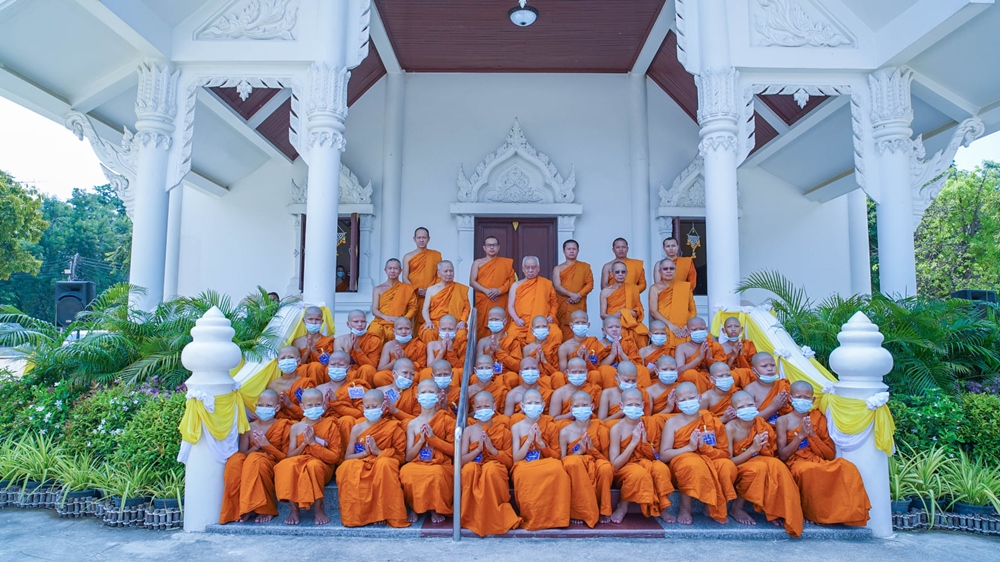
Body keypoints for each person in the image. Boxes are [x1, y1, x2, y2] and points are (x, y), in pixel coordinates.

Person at [777, 381, 871, 527]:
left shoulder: (818, 418)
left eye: (806, 397)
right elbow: (783, 455)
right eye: (798, 397)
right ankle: (812, 513)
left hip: (817, 459)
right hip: (796, 462)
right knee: (807, 470)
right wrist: (800, 436)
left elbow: (829, 454)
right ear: (790, 398)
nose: (802, 400)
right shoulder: (783, 421)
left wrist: (812, 435)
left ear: (813, 400)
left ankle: (846, 513)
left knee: (847, 467)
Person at [725, 390, 804, 537]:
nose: (746, 409)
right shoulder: (730, 428)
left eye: (749, 405)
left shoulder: (761, 425)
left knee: (777, 466)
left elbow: (770, 452)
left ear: (756, 405)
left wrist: (761, 448)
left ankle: (777, 510)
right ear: (734, 411)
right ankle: (737, 508)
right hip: (741, 466)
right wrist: (752, 449)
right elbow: (729, 462)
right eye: (741, 407)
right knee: (759, 468)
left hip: (760, 461)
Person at [659, 382, 738, 525]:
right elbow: (664, 455)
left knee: (727, 466)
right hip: (683, 460)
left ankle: (712, 507)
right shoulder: (672, 423)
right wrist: (689, 447)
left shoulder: (711, 420)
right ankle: (685, 507)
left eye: (691, 398)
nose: (688, 402)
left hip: (710, 457)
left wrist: (704, 448)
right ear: (677, 402)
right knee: (692, 464)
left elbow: (725, 453)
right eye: (683, 400)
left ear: (699, 398)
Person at [336, 389, 410, 528]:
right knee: (346, 467)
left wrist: (377, 451)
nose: (371, 410)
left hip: (381, 461)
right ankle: (356, 516)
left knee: (384, 464)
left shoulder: (393, 427)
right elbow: (348, 457)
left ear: (383, 406)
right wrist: (365, 453)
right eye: (367, 407)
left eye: (374, 406)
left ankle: (382, 513)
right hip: (362, 460)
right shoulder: (357, 428)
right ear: (362, 408)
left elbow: (401, 457)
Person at [220, 390, 292, 524]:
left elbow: (286, 457)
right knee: (235, 461)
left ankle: (264, 508)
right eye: (260, 405)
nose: (264, 408)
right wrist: (256, 447)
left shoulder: (283, 426)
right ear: (256, 406)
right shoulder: (250, 427)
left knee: (255, 460)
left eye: (268, 406)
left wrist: (267, 445)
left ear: (277, 408)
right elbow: (242, 454)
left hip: (271, 464)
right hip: (251, 461)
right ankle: (239, 509)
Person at [274, 388, 344, 525]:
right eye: (310, 405)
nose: (314, 408)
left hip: (322, 465)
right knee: (284, 465)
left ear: (323, 404)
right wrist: (304, 444)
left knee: (313, 465)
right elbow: (290, 455)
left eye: (317, 404)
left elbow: (334, 457)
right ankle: (293, 509)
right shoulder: (296, 428)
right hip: (299, 461)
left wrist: (313, 443)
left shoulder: (330, 425)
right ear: (302, 406)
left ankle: (319, 508)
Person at [460, 391, 522, 536]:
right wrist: (478, 450)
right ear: (474, 409)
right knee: (469, 469)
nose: (483, 410)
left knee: (491, 469)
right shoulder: (468, 431)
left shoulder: (503, 431)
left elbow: (509, 462)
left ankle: (494, 517)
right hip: (474, 464)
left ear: (494, 407)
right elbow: (461, 460)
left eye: (486, 406)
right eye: (479, 407)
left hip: (495, 465)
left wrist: (492, 450)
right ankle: (471, 516)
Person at [608, 388, 674, 524]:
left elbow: (657, 457)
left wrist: (644, 443)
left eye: (637, 405)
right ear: (621, 406)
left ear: (643, 405)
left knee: (661, 468)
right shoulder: (617, 429)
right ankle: (623, 506)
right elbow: (615, 465)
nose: (633, 408)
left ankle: (662, 507)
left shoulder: (651, 424)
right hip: (626, 467)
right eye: (629, 404)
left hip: (647, 462)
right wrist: (633, 443)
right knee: (638, 473)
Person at [510, 389, 571, 530]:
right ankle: (533, 518)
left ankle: (556, 518)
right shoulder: (516, 427)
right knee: (523, 472)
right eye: (529, 403)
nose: (533, 406)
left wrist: (541, 443)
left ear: (543, 405)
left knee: (557, 468)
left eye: (537, 403)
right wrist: (528, 441)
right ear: (522, 406)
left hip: (545, 462)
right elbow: (515, 459)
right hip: (525, 464)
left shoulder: (550, 425)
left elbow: (557, 456)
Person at [401, 379, 456, 524]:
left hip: (439, 464)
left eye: (431, 392)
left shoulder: (446, 419)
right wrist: (421, 441)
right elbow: (408, 457)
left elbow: (454, 451)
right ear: (417, 396)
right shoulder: (412, 424)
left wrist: (433, 439)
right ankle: (414, 507)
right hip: (418, 462)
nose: (427, 395)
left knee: (436, 473)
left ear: (438, 396)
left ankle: (434, 508)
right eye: (423, 392)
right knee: (407, 471)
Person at [559, 391, 614, 527]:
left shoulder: (601, 429)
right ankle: (578, 511)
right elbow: (562, 461)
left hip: (595, 463)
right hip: (576, 467)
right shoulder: (565, 432)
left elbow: (606, 459)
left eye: (585, 405)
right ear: (571, 409)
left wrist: (592, 449)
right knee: (573, 463)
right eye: (577, 406)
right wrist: (579, 452)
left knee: (606, 468)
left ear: (592, 406)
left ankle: (603, 509)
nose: (581, 409)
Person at [506, 256, 560, 347]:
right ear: (523, 269)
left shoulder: (546, 284)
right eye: (527, 267)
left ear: (538, 268)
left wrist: (552, 316)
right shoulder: (516, 285)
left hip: (542, 323)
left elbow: (554, 304)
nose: (530, 270)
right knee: (512, 335)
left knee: (556, 334)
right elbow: (510, 306)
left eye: (533, 267)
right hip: (522, 323)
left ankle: (548, 356)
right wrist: (516, 319)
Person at [469, 236, 516, 339]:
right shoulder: (478, 263)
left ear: (498, 247)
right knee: (482, 328)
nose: (491, 247)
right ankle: (483, 348)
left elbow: (511, 280)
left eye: (494, 245)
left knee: (502, 325)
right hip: (484, 299)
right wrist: (486, 291)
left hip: (500, 299)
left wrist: (500, 290)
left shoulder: (506, 263)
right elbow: (472, 281)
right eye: (489, 245)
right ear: (484, 248)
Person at [648, 260, 697, 349]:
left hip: (685, 328)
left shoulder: (685, 286)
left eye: (671, 268)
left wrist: (688, 325)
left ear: (675, 270)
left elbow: (692, 309)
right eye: (665, 269)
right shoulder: (654, 288)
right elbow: (653, 311)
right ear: (660, 272)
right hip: (666, 326)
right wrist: (670, 325)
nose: (669, 271)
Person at [600, 260, 648, 348]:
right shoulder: (605, 292)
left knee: (642, 334)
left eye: (623, 272)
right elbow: (602, 315)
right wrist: (614, 315)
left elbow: (639, 311)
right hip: (615, 324)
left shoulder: (633, 289)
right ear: (612, 274)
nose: (620, 274)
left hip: (631, 323)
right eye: (617, 272)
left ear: (626, 273)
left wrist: (630, 312)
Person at [552, 240, 594, 341]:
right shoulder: (558, 268)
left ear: (578, 251)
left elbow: (590, 284)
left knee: (579, 325)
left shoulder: (585, 267)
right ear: (564, 251)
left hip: (579, 303)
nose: (571, 251)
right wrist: (571, 295)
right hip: (563, 303)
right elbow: (557, 286)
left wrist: (578, 295)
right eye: (569, 249)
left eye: (574, 249)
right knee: (562, 329)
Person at [368, 259, 418, 343]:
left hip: (399, 323)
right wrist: (385, 317)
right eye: (390, 268)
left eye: (395, 268)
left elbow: (413, 308)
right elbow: (374, 310)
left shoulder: (407, 288)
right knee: (374, 334)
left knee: (400, 335)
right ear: (385, 270)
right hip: (381, 321)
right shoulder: (378, 289)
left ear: (400, 271)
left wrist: (403, 320)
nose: (392, 271)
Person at [402, 227, 442, 333]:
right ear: (414, 239)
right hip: (414, 294)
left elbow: (439, 276)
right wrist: (416, 290)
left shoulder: (436, 255)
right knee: (412, 322)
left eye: (424, 237)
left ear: (428, 239)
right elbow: (405, 277)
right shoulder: (408, 257)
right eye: (419, 238)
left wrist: (429, 290)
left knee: (429, 321)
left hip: (431, 294)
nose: (421, 240)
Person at [420, 261, 470, 342]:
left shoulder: (460, 289)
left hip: (454, 323)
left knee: (461, 334)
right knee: (428, 332)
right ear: (439, 273)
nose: (449, 274)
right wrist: (428, 322)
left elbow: (466, 307)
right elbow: (425, 310)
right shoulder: (431, 289)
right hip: (435, 322)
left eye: (451, 271)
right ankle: (432, 350)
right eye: (445, 271)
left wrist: (462, 321)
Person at [591, 316, 646, 390]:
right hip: (609, 373)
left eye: (617, 327)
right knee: (606, 369)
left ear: (621, 328)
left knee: (642, 369)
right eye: (610, 327)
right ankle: (612, 394)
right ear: (603, 330)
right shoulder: (597, 344)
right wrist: (612, 355)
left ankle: (639, 394)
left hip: (627, 372)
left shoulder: (628, 342)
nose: (614, 329)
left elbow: (635, 363)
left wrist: (622, 353)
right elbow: (597, 366)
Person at [674, 317, 727, 393]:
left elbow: (722, 370)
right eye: (694, 329)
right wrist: (698, 358)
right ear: (687, 331)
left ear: (706, 329)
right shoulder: (682, 347)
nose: (698, 332)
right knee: (690, 374)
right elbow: (678, 372)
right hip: (692, 384)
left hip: (710, 380)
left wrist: (709, 358)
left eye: (702, 329)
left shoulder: (715, 346)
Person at [373, 317, 428, 387]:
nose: (404, 332)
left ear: (411, 330)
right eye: (400, 329)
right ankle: (395, 390)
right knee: (379, 377)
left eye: (407, 328)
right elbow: (381, 369)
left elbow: (422, 368)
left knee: (417, 376)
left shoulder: (419, 345)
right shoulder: (389, 345)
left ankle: (409, 392)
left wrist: (404, 359)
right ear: (394, 331)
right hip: (394, 376)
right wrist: (396, 360)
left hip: (410, 376)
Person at [334, 310, 381, 386]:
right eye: (356, 322)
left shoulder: (374, 340)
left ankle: (364, 390)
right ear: (348, 324)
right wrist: (347, 351)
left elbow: (372, 366)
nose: (360, 324)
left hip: (364, 373)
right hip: (348, 372)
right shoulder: (340, 340)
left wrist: (357, 349)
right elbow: (339, 364)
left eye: (363, 321)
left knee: (368, 369)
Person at [268, 346, 316, 420]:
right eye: (283, 358)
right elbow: (269, 412)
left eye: (291, 357)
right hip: (281, 423)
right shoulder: (272, 386)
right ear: (278, 362)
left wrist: (290, 405)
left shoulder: (306, 383)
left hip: (303, 423)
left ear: (298, 361)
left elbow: (312, 412)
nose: (286, 361)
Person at [314, 355, 369, 419]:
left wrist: (336, 405)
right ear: (328, 367)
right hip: (327, 423)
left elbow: (362, 413)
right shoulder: (319, 389)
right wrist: (326, 406)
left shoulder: (355, 388)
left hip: (347, 423)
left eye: (341, 365)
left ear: (348, 368)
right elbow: (312, 416)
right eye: (332, 364)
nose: (336, 368)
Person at [743, 352, 791, 425]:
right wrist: (773, 407)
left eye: (773, 365)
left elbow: (794, 414)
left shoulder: (783, 386)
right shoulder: (750, 390)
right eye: (764, 366)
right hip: (762, 429)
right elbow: (749, 420)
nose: (770, 369)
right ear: (754, 371)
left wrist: (785, 406)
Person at [556, 310, 602, 376]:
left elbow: (600, 365)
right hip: (573, 378)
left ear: (588, 325)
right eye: (577, 322)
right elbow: (563, 372)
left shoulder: (594, 342)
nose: (580, 325)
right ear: (571, 325)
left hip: (591, 376)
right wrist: (577, 361)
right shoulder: (564, 348)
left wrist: (587, 361)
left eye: (583, 322)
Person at [477, 306, 521, 376]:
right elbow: (479, 366)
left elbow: (517, 367)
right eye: (491, 320)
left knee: (512, 377)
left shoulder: (512, 341)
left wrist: (499, 350)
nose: (493, 322)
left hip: (505, 377)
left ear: (505, 321)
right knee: (474, 378)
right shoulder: (482, 342)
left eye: (496, 319)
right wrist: (491, 352)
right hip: (487, 377)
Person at [377, 357, 420, 423]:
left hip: (407, 426)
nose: (408, 377)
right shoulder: (380, 392)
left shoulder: (416, 392)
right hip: (387, 426)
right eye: (405, 372)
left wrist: (395, 411)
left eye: (412, 374)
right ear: (394, 373)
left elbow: (418, 420)